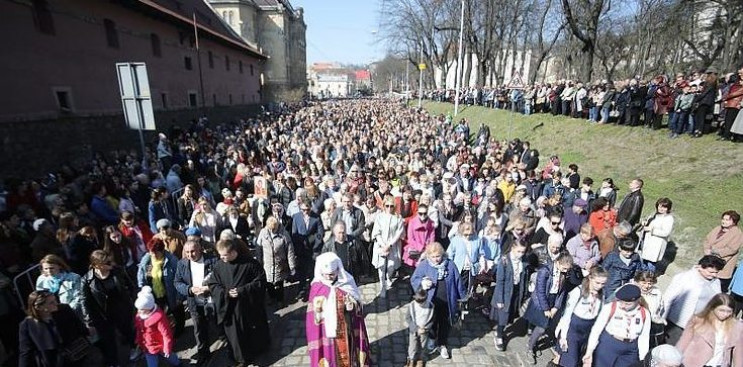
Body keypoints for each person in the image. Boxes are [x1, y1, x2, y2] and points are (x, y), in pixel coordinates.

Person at [208, 239, 270, 366]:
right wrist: (225, 293)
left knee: (252, 334)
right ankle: (240, 358)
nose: (222, 258)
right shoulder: (219, 265)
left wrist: (242, 291)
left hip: (248, 307)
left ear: (233, 252)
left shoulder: (250, 264)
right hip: (229, 308)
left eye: (224, 255)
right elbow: (213, 284)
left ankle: (256, 352)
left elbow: (260, 281)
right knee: (235, 336)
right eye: (220, 255)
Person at [306, 252, 371, 367]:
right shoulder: (317, 288)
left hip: (346, 328)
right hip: (326, 333)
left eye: (332, 274)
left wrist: (351, 306)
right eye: (326, 274)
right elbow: (313, 318)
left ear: (337, 270)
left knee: (348, 354)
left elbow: (357, 306)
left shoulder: (347, 283)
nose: (329, 277)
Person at [80, 250, 139, 366]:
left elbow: (131, 286)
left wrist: (134, 302)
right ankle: (114, 362)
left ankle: (134, 348)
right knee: (108, 341)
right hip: (102, 315)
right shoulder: (87, 280)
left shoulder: (118, 271)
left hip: (121, 309)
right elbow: (84, 301)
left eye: (110, 261)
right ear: (97, 265)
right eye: (107, 262)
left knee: (128, 331)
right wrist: (88, 320)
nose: (111, 264)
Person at [410, 242, 465, 360]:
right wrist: (422, 284)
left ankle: (442, 344)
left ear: (442, 254)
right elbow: (414, 279)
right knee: (432, 321)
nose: (436, 260)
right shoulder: (424, 265)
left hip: (447, 301)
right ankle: (431, 338)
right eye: (433, 257)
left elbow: (458, 281)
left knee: (445, 323)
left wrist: (463, 298)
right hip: (431, 301)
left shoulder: (450, 265)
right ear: (428, 256)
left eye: (438, 256)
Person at [19, 290, 101, 367]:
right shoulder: (27, 325)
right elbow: (26, 351)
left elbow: (81, 328)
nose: (56, 303)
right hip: (54, 362)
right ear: (39, 307)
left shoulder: (64, 310)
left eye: (55, 300)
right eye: (51, 303)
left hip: (78, 355)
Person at [174, 239, 223, 365]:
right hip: (194, 303)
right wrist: (189, 289)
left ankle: (227, 344)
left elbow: (221, 278)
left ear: (200, 249)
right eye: (187, 252)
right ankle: (203, 353)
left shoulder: (212, 260)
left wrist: (210, 288)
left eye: (193, 251)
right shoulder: (182, 264)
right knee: (199, 329)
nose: (190, 255)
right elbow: (177, 282)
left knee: (218, 324)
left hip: (211, 301)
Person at [582, 284, 651, 367]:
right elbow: (596, 330)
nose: (622, 305)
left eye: (627, 304)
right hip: (609, 343)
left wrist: (643, 359)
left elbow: (644, 337)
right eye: (621, 301)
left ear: (637, 300)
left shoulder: (644, 313)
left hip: (631, 348)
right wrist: (589, 351)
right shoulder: (610, 308)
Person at [663, 255, 725, 345]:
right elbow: (668, 299)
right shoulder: (685, 278)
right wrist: (662, 319)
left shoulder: (716, 282)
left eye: (716, 272)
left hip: (699, 325)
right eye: (711, 272)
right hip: (678, 324)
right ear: (700, 267)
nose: (714, 275)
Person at [524, 253, 574, 364]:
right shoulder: (545, 271)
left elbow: (562, 292)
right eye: (564, 268)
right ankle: (530, 348)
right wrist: (546, 309)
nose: (565, 271)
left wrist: (556, 307)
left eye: (567, 269)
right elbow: (540, 291)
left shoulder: (564, 274)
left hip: (552, 299)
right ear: (557, 262)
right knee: (541, 327)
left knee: (541, 326)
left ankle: (532, 339)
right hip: (541, 301)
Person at [553, 266, 608, 367]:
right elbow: (567, 316)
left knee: (580, 361)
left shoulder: (602, 295)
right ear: (590, 278)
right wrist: (563, 336)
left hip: (587, 331)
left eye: (603, 283)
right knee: (570, 362)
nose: (600, 286)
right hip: (573, 331)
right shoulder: (578, 292)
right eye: (597, 282)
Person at [676, 293, 743, 367]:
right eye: (721, 310)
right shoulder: (698, 321)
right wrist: (673, 360)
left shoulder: (737, 327)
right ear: (712, 307)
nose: (725, 314)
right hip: (693, 363)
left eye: (729, 311)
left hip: (719, 364)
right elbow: (683, 342)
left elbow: (738, 353)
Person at [136, 237, 184, 336]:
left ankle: (180, 329)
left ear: (162, 251)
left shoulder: (171, 261)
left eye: (155, 253)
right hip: (155, 293)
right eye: (151, 252)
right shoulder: (147, 261)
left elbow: (179, 279)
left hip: (171, 292)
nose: (153, 255)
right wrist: (142, 289)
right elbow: (141, 274)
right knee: (159, 313)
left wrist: (180, 297)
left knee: (177, 311)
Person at [490, 241, 530, 352]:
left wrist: (524, 294)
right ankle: (498, 335)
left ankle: (501, 329)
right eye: (518, 251)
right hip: (505, 292)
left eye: (523, 251)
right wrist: (500, 299)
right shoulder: (504, 261)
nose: (521, 254)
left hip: (516, 292)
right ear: (512, 248)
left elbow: (524, 279)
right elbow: (500, 282)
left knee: (510, 315)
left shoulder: (524, 261)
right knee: (503, 317)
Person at [133, 286, 181, 367]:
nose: (138, 311)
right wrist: (139, 340)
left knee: (170, 357)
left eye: (141, 309)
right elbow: (139, 330)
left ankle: (178, 363)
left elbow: (166, 334)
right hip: (148, 347)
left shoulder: (158, 318)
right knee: (152, 364)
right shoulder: (140, 316)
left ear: (148, 308)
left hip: (160, 345)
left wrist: (167, 348)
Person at [256, 216, 296, 306]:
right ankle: (272, 297)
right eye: (270, 229)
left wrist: (292, 266)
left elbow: (290, 250)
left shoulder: (284, 234)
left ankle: (280, 300)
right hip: (267, 263)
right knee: (268, 282)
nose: (272, 231)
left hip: (280, 263)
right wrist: (259, 263)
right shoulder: (263, 233)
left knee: (279, 283)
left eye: (274, 229)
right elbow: (259, 249)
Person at [371, 196, 404, 298]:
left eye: (391, 206)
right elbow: (376, 232)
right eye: (387, 206)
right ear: (384, 206)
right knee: (381, 267)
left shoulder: (398, 218)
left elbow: (399, 233)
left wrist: (389, 245)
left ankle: (389, 277)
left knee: (391, 266)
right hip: (380, 245)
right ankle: (382, 287)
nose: (389, 208)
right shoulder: (379, 217)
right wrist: (383, 245)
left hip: (393, 246)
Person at [291, 201, 325, 301]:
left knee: (312, 272)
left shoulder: (316, 217)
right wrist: (298, 247)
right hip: (301, 249)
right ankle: (301, 291)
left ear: (310, 208)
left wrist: (316, 245)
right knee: (301, 272)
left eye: (307, 209)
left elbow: (320, 233)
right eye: (303, 210)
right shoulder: (296, 217)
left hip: (313, 248)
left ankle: (313, 291)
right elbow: (294, 233)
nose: (305, 212)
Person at [702, 210, 743, 292]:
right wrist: (706, 249)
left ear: (734, 221)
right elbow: (707, 239)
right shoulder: (717, 228)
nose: (724, 221)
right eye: (723, 219)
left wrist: (715, 251)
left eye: (727, 220)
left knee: (718, 288)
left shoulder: (737, 233)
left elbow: (732, 249)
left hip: (723, 263)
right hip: (709, 260)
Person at [446, 221, 485, 293]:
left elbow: (481, 254)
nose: (468, 236)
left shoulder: (477, 240)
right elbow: (449, 255)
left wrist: (482, 266)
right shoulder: (456, 240)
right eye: (466, 234)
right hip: (458, 269)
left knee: (469, 289)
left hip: (471, 270)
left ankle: (466, 301)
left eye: (470, 234)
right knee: (457, 289)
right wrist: (449, 268)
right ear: (461, 232)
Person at [638, 198, 674, 272]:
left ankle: (649, 278)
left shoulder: (669, 218)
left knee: (651, 264)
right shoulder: (655, 215)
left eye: (664, 207)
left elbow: (666, 232)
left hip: (656, 245)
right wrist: (645, 223)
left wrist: (651, 230)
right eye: (660, 206)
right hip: (647, 242)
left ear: (668, 208)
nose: (661, 209)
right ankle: (641, 277)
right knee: (643, 262)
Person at [632, 271, 666, 348]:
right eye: (643, 283)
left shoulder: (657, 293)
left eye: (650, 283)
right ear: (637, 281)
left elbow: (660, 308)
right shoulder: (632, 290)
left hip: (649, 325)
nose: (647, 286)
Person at [405, 288, 434, 367]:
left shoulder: (430, 307)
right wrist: (416, 329)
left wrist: (425, 328)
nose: (419, 305)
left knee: (423, 345)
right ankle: (411, 359)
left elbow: (432, 320)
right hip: (414, 330)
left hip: (424, 330)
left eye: (421, 303)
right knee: (412, 346)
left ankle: (420, 359)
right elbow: (408, 318)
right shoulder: (412, 306)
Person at [404, 204, 435, 269]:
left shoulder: (431, 223)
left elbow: (432, 239)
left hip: (426, 251)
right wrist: (421, 248)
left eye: (425, 213)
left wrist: (426, 250)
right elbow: (410, 239)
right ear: (417, 213)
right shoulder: (412, 222)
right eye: (420, 213)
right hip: (414, 249)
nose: (423, 215)